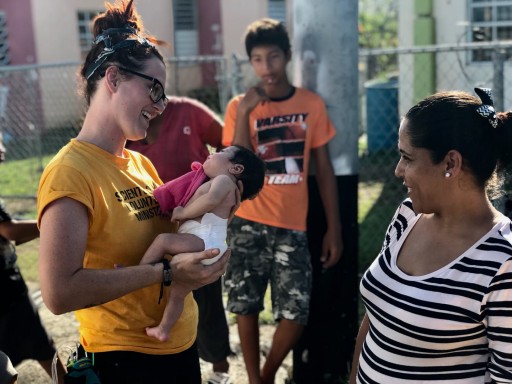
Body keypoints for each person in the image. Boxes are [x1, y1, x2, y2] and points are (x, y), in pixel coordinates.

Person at [37, 1, 229, 383]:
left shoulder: (140, 164)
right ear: (112, 78)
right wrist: (166, 274)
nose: (159, 106)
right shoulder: (70, 172)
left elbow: (170, 242)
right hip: (125, 361)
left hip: (178, 347)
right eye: (154, 89)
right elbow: (59, 293)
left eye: (163, 96)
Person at [349, 88, 512, 384]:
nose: (398, 170)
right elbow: (376, 318)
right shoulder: (407, 214)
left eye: (407, 157)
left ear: (450, 163)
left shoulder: (504, 262)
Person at [222, 18, 343, 384]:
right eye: (257, 60)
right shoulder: (238, 106)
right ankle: (256, 378)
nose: (266, 68)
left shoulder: (310, 104)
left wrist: (334, 229)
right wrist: (245, 112)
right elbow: (235, 164)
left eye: (272, 57)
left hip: (293, 225)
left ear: (287, 56)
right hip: (247, 220)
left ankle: (266, 375)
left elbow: (323, 170)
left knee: (296, 311)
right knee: (245, 305)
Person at [126, 96, 235, 383]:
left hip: (195, 228)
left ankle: (220, 368)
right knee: (165, 295)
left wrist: (217, 196)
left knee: (206, 299)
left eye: (157, 85)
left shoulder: (188, 111)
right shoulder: (128, 124)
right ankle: (164, 353)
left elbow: (231, 148)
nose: (153, 97)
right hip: (151, 225)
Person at [140, 145, 265, 342]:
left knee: (163, 241)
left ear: (236, 169)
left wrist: (182, 212)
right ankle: (163, 329)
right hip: (210, 241)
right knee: (178, 293)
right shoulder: (229, 189)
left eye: (221, 152)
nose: (212, 153)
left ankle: (138, 274)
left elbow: (210, 200)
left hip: (203, 239)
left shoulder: (223, 180)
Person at [0, 132, 65, 383]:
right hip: (7, 289)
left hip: (8, 286)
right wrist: (52, 222)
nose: (3, 148)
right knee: (42, 346)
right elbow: (10, 230)